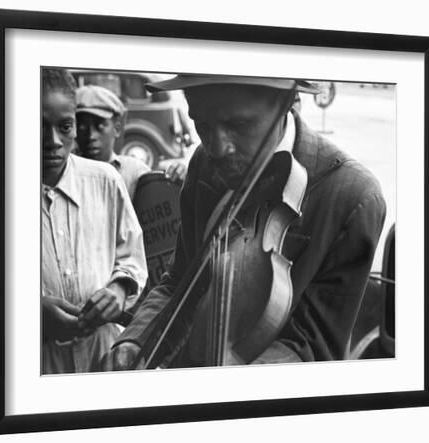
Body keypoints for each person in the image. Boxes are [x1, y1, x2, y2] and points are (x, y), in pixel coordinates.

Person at [103, 74, 386, 369]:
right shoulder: (203, 163)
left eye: (238, 126)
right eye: (202, 124)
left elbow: (312, 349)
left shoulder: (352, 197)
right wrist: (135, 341)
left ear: (286, 103)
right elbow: (179, 281)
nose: (217, 147)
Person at [41, 68, 147, 374]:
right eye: (38, 126)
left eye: (64, 127)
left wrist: (118, 291)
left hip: (103, 358)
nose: (53, 141)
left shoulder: (105, 180)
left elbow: (132, 258)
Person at [74, 84, 186, 199]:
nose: (91, 135)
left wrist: (179, 179)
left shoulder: (134, 172)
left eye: (100, 126)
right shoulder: (67, 173)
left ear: (117, 129)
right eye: (81, 127)